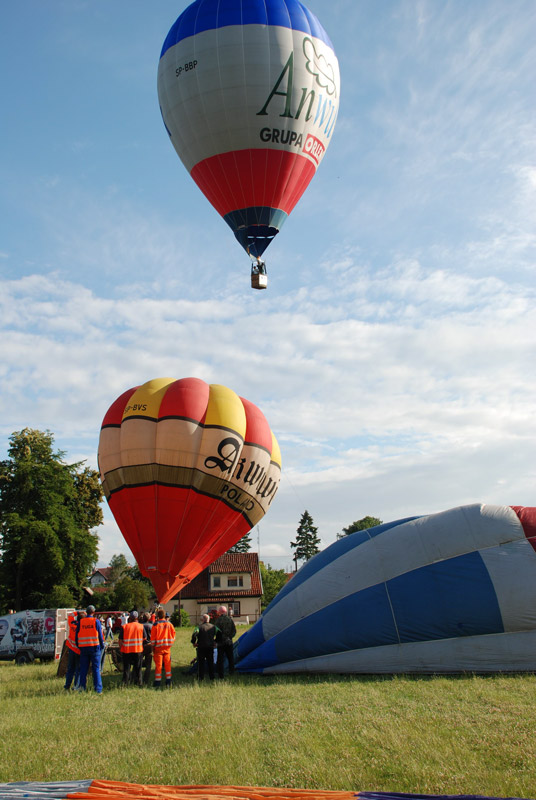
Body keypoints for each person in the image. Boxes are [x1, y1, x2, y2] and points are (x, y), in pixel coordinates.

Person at [76, 605, 104, 693]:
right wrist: (102, 646)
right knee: (96, 669)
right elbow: (100, 635)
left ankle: (82, 688)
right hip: (95, 648)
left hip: (83, 648)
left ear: (86, 612)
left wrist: (79, 646)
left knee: (83, 669)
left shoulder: (81, 622)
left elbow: (77, 636)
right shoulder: (96, 621)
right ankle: (98, 689)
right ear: (93, 612)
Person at [150, 608, 176, 688]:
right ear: (165, 615)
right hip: (167, 648)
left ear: (158, 616)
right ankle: (168, 680)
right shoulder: (169, 624)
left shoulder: (155, 625)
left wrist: (153, 647)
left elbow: (153, 639)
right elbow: (173, 636)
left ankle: (158, 681)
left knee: (159, 665)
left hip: (158, 648)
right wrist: (170, 644)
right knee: (168, 664)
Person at [191, 613, 220, 681]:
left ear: (203, 619)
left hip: (201, 647)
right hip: (210, 647)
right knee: (210, 662)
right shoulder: (214, 627)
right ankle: (212, 677)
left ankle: (201, 677)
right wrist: (216, 641)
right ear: (209, 620)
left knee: (201, 663)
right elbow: (220, 634)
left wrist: (194, 642)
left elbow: (194, 634)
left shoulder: (198, 627)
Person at [118, 610, 144, 687]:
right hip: (138, 650)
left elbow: (120, 640)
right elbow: (145, 638)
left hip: (126, 651)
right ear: (137, 618)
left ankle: (125, 683)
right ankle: (139, 683)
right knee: (138, 668)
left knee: (126, 668)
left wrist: (120, 648)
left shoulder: (124, 627)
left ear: (130, 618)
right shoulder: (141, 626)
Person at [64, 610, 85, 690]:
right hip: (79, 650)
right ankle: (76, 686)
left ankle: (67, 685)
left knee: (70, 669)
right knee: (78, 670)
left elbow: (70, 615)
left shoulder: (72, 624)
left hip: (71, 649)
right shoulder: (82, 627)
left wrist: (79, 611)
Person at [215, 605, 236, 678]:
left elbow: (216, 631)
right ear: (226, 611)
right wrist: (229, 637)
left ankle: (220, 674)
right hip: (229, 641)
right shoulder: (230, 620)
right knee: (230, 657)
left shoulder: (218, 620)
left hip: (221, 643)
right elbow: (234, 631)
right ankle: (232, 672)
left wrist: (216, 640)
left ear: (219, 612)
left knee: (220, 658)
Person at [140, 612, 153, 686]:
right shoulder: (151, 626)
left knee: (139, 662)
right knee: (148, 664)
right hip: (149, 645)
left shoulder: (140, 626)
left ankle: (137, 677)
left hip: (141, 645)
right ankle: (146, 680)